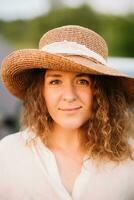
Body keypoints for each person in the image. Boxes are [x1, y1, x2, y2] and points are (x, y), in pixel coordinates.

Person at [0, 25, 134, 200]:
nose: (69, 96)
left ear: (100, 92)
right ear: (41, 91)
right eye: (55, 81)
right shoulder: (7, 154)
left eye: (82, 81)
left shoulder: (129, 159)